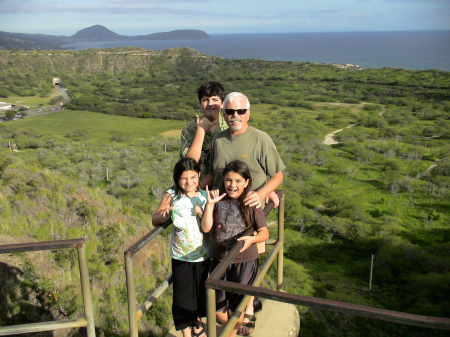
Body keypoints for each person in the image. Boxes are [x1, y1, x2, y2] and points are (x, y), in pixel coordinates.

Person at [204, 91, 286, 334]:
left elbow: (278, 175)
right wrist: (183, 191)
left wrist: (261, 194)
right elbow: (212, 175)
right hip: (221, 219)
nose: (235, 116)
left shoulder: (261, 139)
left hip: (249, 217)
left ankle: (246, 316)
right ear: (224, 114)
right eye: (230, 111)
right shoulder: (218, 140)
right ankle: (241, 313)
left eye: (240, 111)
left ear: (248, 113)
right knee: (225, 271)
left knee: (245, 269)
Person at [202, 160, 269, 337]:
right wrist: (209, 205)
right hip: (220, 261)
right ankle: (233, 328)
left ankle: (230, 333)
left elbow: (264, 233)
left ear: (246, 182)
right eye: (228, 180)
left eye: (238, 181)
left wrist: (252, 239)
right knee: (217, 309)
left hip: (244, 263)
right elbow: (207, 228)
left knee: (237, 307)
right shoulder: (218, 200)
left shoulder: (250, 203)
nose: (232, 185)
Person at [152, 157, 210, 337]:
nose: (189, 182)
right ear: (177, 178)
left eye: (193, 177)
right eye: (184, 178)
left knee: (200, 292)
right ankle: (186, 332)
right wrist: (166, 213)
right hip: (181, 256)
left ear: (199, 175)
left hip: (204, 254)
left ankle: (198, 323)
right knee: (182, 296)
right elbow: (155, 220)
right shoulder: (172, 195)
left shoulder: (204, 195)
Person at [180, 81, 228, 177]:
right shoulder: (190, 128)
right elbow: (189, 163)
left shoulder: (229, 127)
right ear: (200, 103)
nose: (210, 104)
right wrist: (201, 130)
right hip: (196, 186)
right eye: (205, 100)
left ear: (222, 103)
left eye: (215, 100)